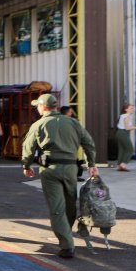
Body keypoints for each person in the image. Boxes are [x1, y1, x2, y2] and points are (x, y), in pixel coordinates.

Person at [22, 94, 98, 258]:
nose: (37, 109)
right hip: (71, 168)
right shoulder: (72, 122)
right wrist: (91, 164)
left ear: (43, 107)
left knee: (57, 208)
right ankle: (66, 233)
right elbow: (88, 143)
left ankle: (67, 245)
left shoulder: (39, 124)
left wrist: (26, 165)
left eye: (37, 106)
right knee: (70, 204)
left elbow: (28, 147)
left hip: (51, 170)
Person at [60, 106, 87, 181]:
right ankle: (73, 176)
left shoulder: (57, 121)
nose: (71, 113)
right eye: (70, 112)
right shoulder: (72, 122)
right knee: (72, 160)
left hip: (61, 144)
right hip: (69, 143)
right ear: (67, 113)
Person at [115, 103, 136, 172]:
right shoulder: (126, 116)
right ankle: (123, 164)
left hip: (121, 133)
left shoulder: (123, 116)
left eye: (132, 108)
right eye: (131, 108)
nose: (132, 110)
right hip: (123, 133)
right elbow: (127, 128)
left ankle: (120, 165)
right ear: (126, 110)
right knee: (130, 149)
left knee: (122, 149)